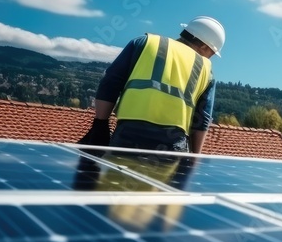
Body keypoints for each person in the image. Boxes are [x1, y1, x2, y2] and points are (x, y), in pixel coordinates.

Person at [78, 16, 225, 153]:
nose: (210, 58)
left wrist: (100, 124)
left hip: (129, 133)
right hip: (172, 143)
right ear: (205, 47)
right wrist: (194, 157)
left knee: (117, 178)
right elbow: (202, 118)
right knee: (159, 181)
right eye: (212, 53)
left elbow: (110, 83)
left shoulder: (144, 43)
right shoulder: (206, 69)